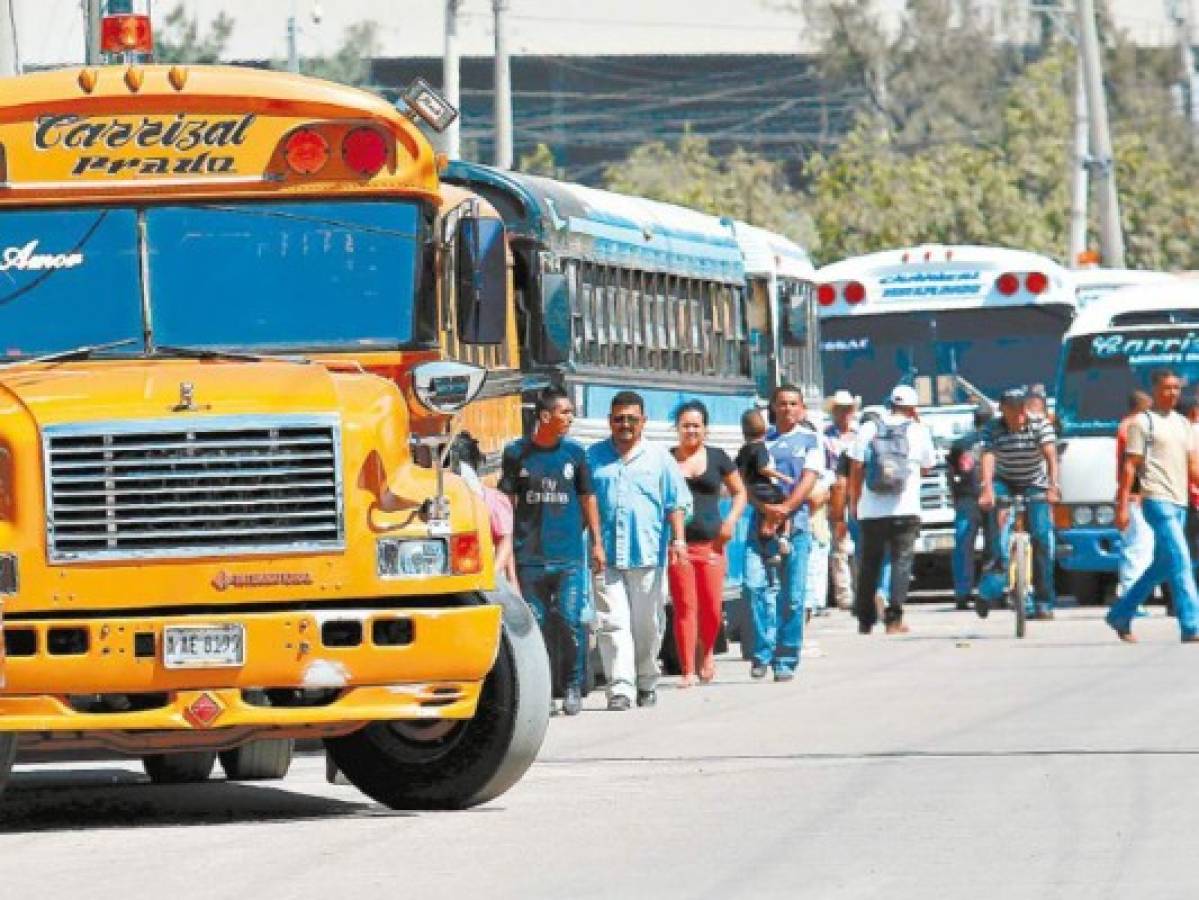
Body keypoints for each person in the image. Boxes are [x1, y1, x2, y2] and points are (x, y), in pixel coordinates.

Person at [499, 388, 604, 716]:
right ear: (545, 416)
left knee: (571, 622)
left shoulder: (575, 454)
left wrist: (597, 543)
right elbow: (507, 501)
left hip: (569, 557)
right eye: (564, 413)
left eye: (571, 413)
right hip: (529, 557)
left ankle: (573, 685)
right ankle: (542, 691)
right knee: (536, 626)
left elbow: (588, 498)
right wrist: (506, 549)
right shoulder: (517, 453)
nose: (570, 419)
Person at [588, 391, 691, 710]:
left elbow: (676, 503)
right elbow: (585, 502)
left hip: (647, 554)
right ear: (609, 421)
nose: (625, 425)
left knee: (647, 625)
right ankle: (620, 686)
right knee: (612, 622)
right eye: (619, 419)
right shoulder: (593, 457)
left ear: (643, 421)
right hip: (605, 556)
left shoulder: (660, 458)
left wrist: (678, 540)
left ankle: (646, 679)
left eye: (632, 419)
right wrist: (593, 544)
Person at [1108, 369, 1199, 642]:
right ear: (1155, 389)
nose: (1172, 393)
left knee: (1162, 566)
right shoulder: (1142, 423)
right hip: (1156, 500)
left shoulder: (1183, 424)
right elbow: (1130, 466)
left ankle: (1120, 614)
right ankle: (1191, 625)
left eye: (1176, 388)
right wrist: (1122, 506)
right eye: (1167, 388)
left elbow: (1193, 466)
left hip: (1180, 501)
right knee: (1182, 561)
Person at [742, 385, 825, 681]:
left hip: (795, 525)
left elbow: (809, 479)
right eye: (782, 404)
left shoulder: (811, 440)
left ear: (802, 409)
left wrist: (785, 509)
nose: (788, 409)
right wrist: (766, 510)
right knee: (754, 586)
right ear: (773, 408)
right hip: (760, 525)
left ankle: (785, 658)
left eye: (793, 404)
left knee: (792, 596)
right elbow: (745, 484)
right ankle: (761, 652)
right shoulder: (760, 442)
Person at [668, 401, 746, 686]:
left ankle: (707, 651)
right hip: (679, 546)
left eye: (696, 425)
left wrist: (730, 522)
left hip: (712, 545)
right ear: (677, 429)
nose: (691, 431)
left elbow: (740, 493)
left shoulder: (718, 457)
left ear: (706, 430)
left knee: (712, 608)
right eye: (685, 425)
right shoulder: (668, 460)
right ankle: (688, 669)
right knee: (685, 607)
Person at [848, 385, 937, 634]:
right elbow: (928, 466)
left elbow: (855, 465)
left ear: (890, 404)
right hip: (906, 508)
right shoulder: (919, 431)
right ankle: (894, 619)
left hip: (871, 510)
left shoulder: (869, 427)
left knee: (869, 563)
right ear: (913, 408)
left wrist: (854, 500)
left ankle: (865, 620)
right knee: (901, 562)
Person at [978, 387, 1059, 620]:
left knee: (1042, 537)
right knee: (997, 539)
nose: (1018, 415)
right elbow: (988, 457)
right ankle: (988, 592)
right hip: (1004, 481)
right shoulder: (993, 428)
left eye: (1021, 409)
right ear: (1003, 410)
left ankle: (1044, 601)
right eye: (1012, 410)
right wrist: (987, 489)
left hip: (1035, 482)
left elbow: (1051, 456)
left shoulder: (1039, 424)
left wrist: (1054, 487)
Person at [946, 405, 997, 613]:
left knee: (963, 546)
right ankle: (992, 592)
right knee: (994, 547)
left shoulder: (961, 443)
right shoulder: (997, 441)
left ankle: (962, 593)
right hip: (994, 497)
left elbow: (951, 471)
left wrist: (955, 495)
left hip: (967, 498)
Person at [451, 431, 518, 588]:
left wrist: (494, 576)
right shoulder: (494, 499)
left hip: (482, 577)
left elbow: (506, 543)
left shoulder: (492, 500)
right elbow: (506, 542)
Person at [736, 408, 794, 564]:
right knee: (787, 505)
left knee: (764, 519)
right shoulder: (760, 447)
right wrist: (783, 477)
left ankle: (770, 552)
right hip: (765, 489)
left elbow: (738, 471)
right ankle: (784, 536)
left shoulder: (743, 450)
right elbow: (763, 468)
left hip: (752, 491)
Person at [1116, 391, 1154, 607]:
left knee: (1139, 545)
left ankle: (1132, 596)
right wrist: (1135, 493)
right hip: (1134, 494)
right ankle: (1130, 598)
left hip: (1131, 493)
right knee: (1137, 546)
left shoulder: (1126, 425)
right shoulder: (1132, 427)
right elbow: (1131, 466)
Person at [824, 389, 859, 610]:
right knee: (839, 547)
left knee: (859, 545)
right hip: (835, 492)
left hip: (857, 493)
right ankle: (844, 594)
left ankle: (862, 589)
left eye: (848, 410)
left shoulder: (859, 435)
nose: (844, 414)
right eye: (840, 410)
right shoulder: (825, 438)